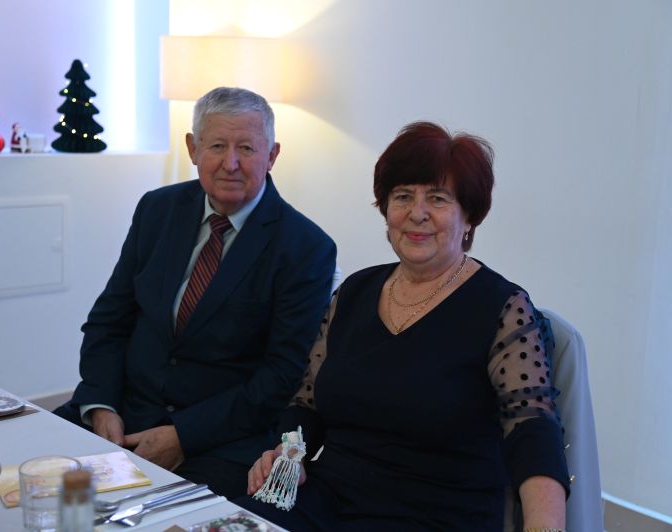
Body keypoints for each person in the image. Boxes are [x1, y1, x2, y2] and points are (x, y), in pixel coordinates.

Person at [240, 122, 570, 530]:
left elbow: (533, 431)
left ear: (469, 216)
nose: (417, 213)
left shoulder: (503, 308)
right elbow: (307, 404)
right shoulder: (355, 292)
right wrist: (289, 454)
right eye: (403, 196)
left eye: (438, 198)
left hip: (437, 515)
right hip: (327, 499)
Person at [55, 87, 336, 498]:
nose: (230, 163)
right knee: (31, 477)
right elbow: (109, 321)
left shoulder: (305, 247)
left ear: (272, 155)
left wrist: (182, 435)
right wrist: (101, 405)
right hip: (123, 412)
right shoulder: (157, 209)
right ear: (192, 148)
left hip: (219, 439)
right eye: (217, 146)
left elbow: (279, 376)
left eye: (246, 148)